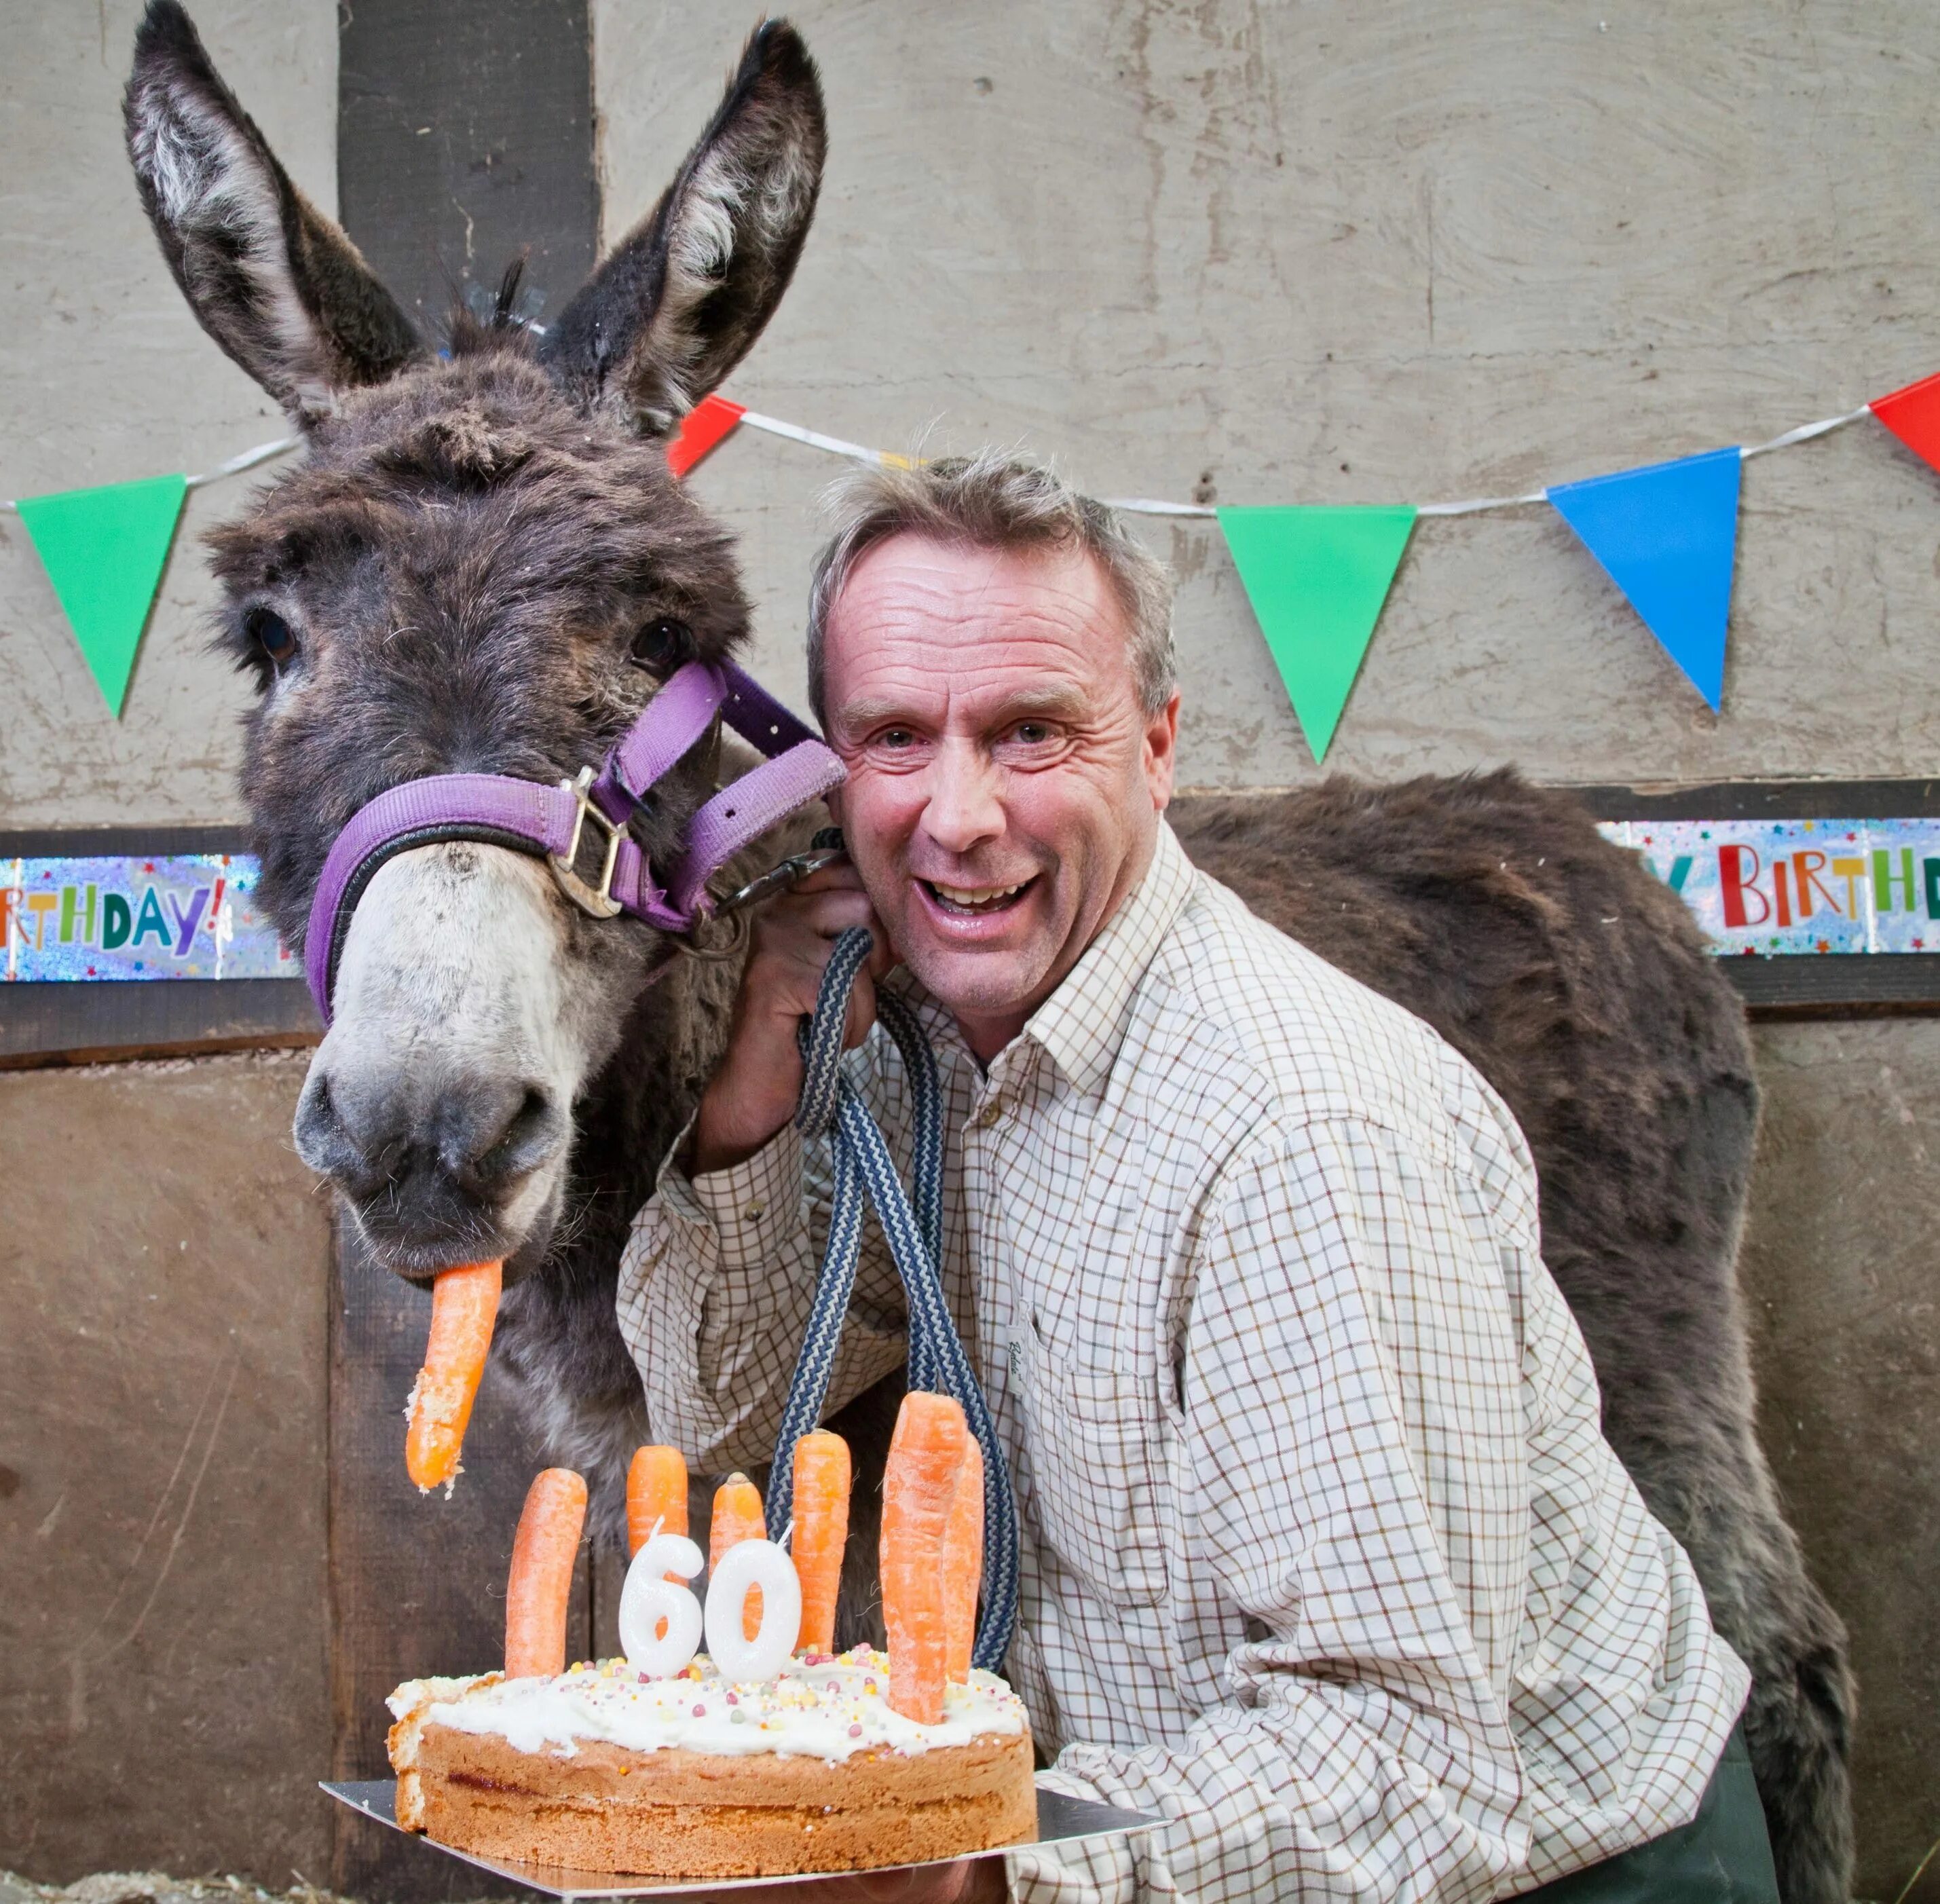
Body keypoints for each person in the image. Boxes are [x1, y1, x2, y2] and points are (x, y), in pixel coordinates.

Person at [616, 453, 1774, 1904]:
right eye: (897, 737)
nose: (959, 815)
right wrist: (750, 1094)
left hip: (1545, 1873)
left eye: (1032, 732)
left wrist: (964, 1872)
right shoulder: (892, 1044)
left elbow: (1406, 1764)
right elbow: (724, 1413)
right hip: (1189, 1839)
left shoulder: (1302, 1133)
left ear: (1157, 747)